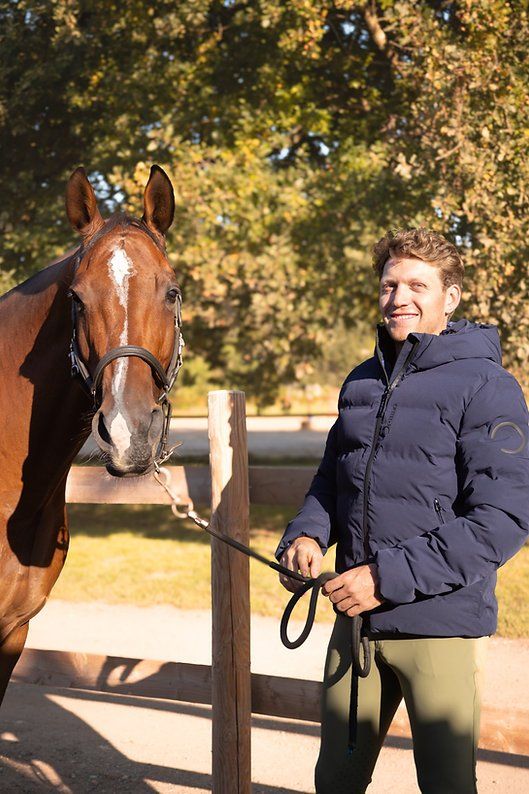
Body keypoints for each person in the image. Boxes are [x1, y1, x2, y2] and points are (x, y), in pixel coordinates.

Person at [276, 228, 529, 794]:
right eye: (391, 284)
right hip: (356, 624)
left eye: (419, 284)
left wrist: (384, 579)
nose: (400, 297)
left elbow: (503, 520)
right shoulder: (361, 382)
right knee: (334, 782)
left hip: (438, 625)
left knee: (446, 786)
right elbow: (330, 481)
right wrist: (308, 535)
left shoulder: (488, 386)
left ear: (451, 297)